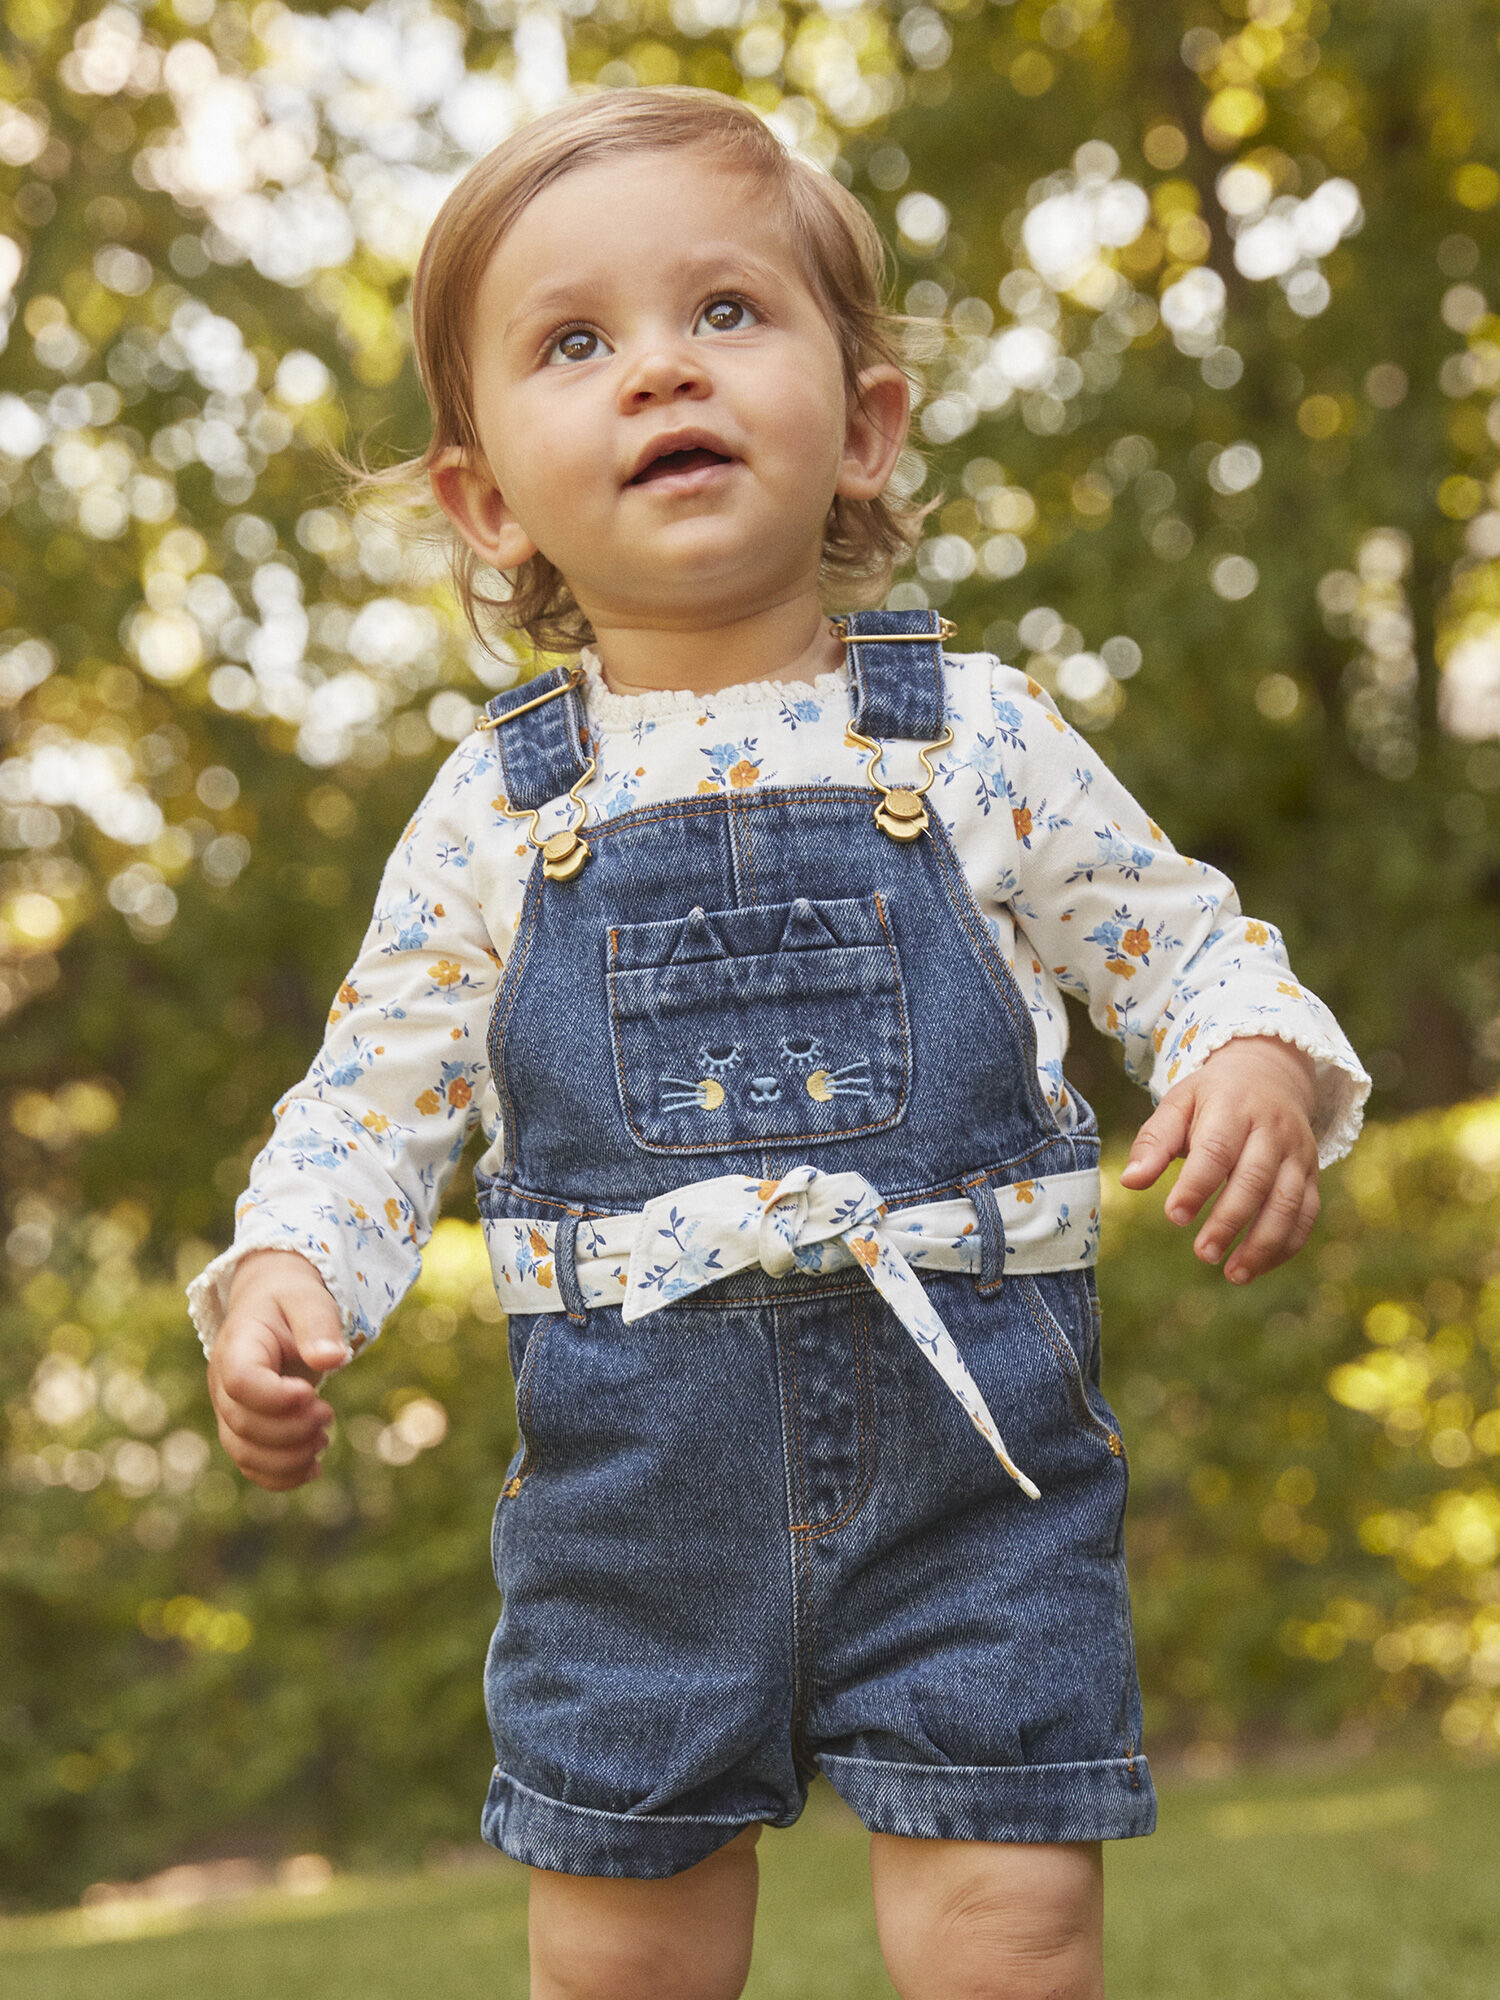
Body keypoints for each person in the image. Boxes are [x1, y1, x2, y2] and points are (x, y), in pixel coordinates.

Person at [190, 87, 1369, 2000]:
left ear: (866, 424)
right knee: (619, 1957)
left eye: (726, 313)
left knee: (1013, 1935)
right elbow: (370, 1102)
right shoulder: (497, 812)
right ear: (489, 496)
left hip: (975, 1490)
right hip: (634, 1524)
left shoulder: (973, 740)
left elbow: (1185, 948)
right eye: (579, 343)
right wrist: (282, 1267)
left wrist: (1250, 1060)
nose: (662, 368)